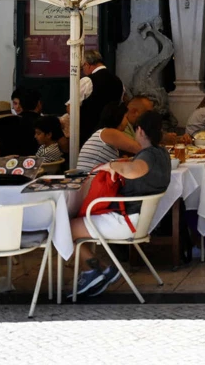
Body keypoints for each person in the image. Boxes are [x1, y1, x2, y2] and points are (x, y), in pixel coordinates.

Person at [70, 110, 172, 298]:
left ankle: (92, 270)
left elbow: (134, 171)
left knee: (63, 227)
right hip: (139, 220)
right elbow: (137, 166)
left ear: (140, 131)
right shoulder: (163, 154)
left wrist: (110, 165)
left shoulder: (147, 155)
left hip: (125, 221)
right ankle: (99, 269)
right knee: (68, 226)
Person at [78, 104, 145, 171]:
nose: (127, 122)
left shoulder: (105, 134)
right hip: (88, 178)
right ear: (118, 117)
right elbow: (138, 148)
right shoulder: (109, 132)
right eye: (126, 117)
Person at [78, 51, 125, 144]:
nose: (83, 70)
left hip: (89, 135)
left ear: (87, 64)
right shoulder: (119, 81)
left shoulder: (87, 81)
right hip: (112, 135)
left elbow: (71, 108)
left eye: (82, 67)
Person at [0, 88, 42, 156]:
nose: (18, 107)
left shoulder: (9, 123)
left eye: (20, 103)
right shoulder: (10, 121)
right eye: (15, 103)